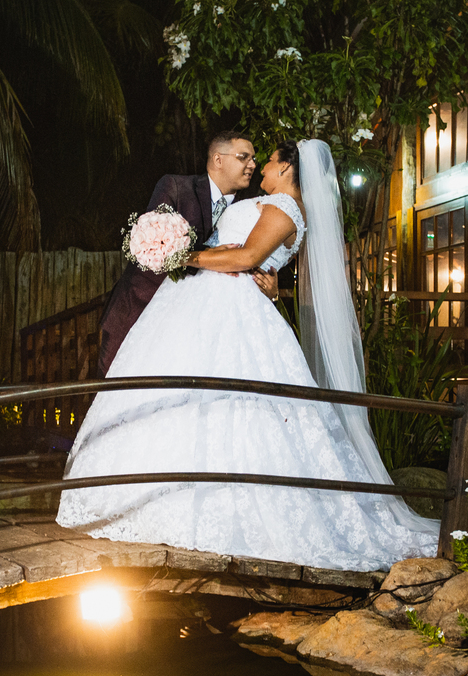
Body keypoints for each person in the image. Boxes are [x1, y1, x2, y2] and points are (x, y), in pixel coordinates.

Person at [57, 139, 439, 572]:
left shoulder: (286, 208)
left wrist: (184, 256)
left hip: (230, 311)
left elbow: (250, 256)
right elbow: (248, 257)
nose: (260, 168)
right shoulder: (263, 203)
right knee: (187, 398)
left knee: (230, 402)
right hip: (201, 305)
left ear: (289, 170)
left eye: (268, 162)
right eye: (250, 159)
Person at [98, 131, 278, 375]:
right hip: (139, 309)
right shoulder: (175, 186)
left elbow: (247, 257)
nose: (253, 165)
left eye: (254, 159)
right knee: (113, 393)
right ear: (218, 160)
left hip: (192, 330)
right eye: (244, 157)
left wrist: (268, 287)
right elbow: (151, 243)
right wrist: (207, 255)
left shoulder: (247, 209)